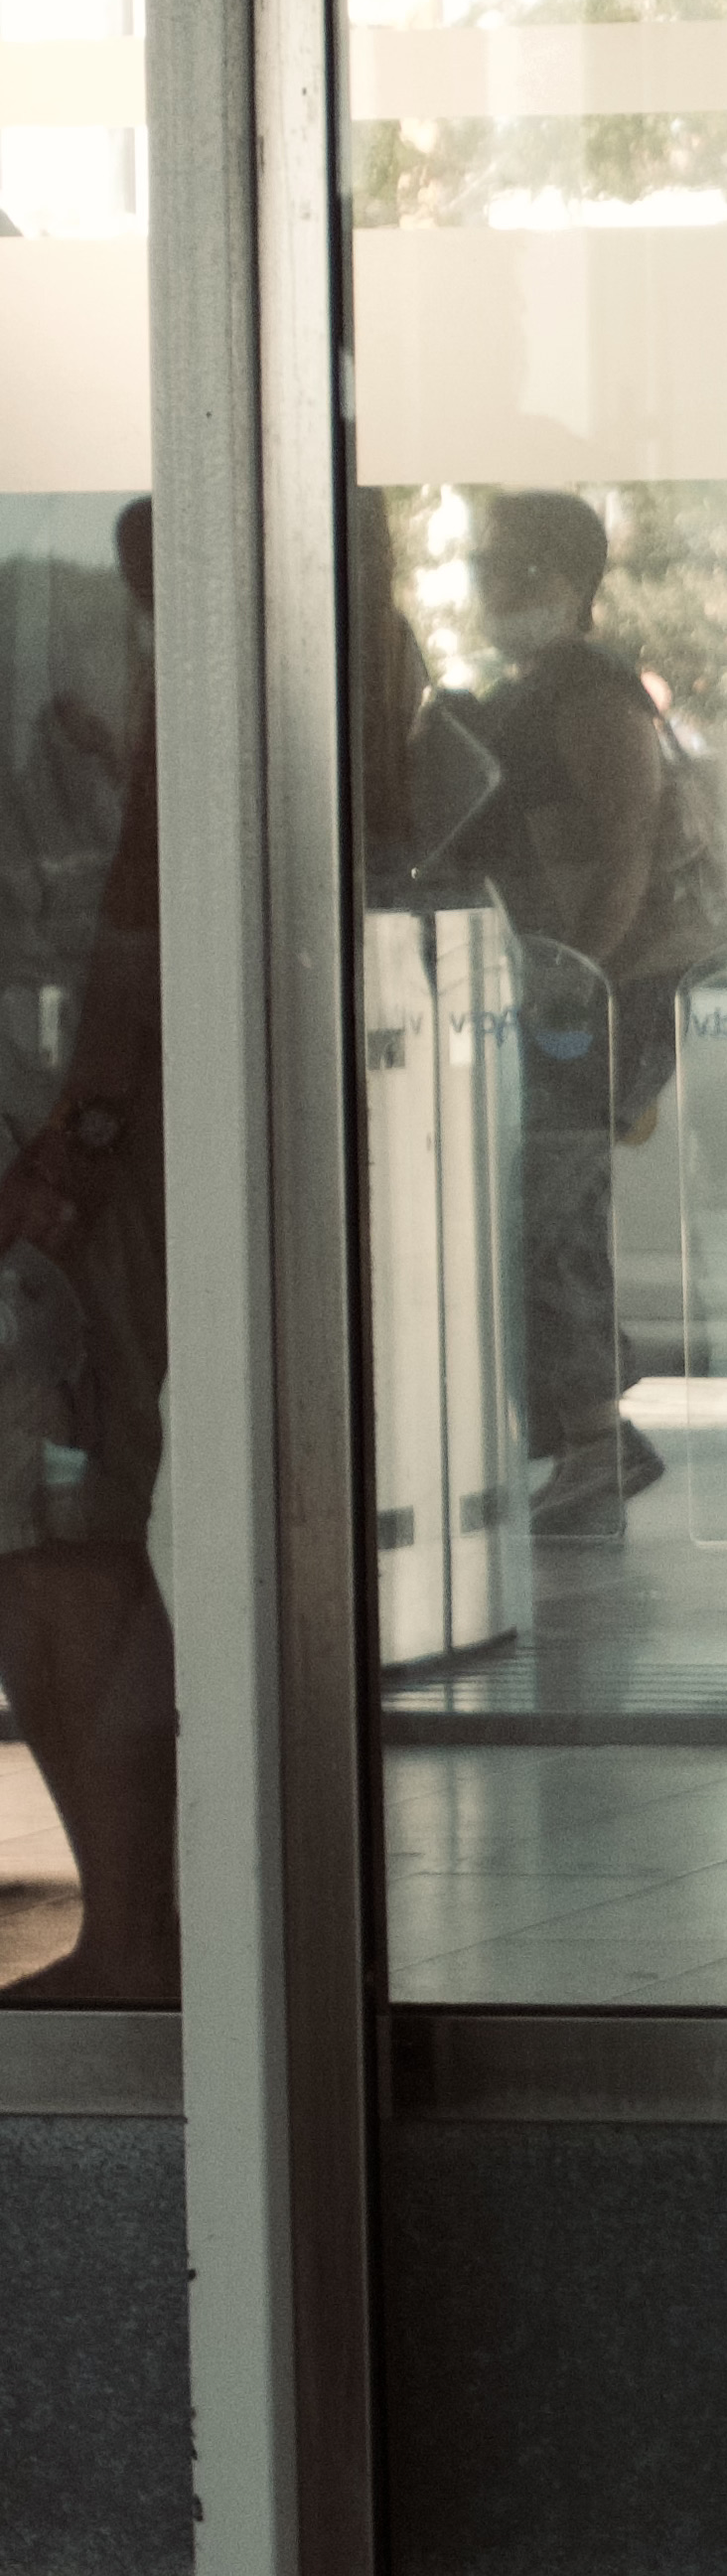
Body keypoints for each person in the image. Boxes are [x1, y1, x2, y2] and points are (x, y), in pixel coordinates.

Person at [0, 496, 175, 2001]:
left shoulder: (149, 667)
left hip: (78, 1156)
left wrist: (80, 1141)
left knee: (60, 1535)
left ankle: (136, 1936)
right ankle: (136, 1929)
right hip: (79, 1138)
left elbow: (131, 934)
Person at [466, 489, 691, 1539]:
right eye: (483, 568)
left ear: (573, 584)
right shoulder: (537, 688)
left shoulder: (594, 694)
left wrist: (574, 975)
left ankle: (600, 1437)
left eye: (518, 573)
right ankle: (585, 1432)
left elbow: (628, 849)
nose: (492, 590)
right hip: (557, 992)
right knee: (548, 1214)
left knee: (550, 1215)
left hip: (590, 1000)